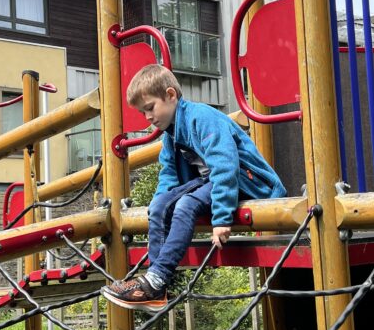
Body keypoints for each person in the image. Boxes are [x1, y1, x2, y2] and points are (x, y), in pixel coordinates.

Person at [102, 64, 286, 312]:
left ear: (170, 95)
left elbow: (225, 165)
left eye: (150, 108)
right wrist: (158, 209)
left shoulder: (202, 118)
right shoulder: (170, 135)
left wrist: (221, 217)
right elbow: (168, 177)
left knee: (186, 205)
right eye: (143, 112)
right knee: (159, 204)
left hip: (246, 182)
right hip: (211, 182)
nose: (147, 117)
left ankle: (157, 279)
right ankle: (155, 284)